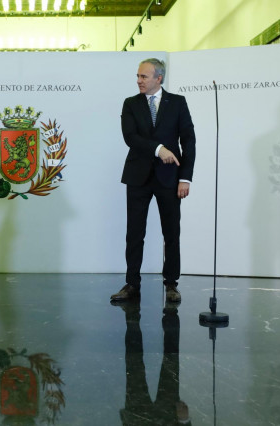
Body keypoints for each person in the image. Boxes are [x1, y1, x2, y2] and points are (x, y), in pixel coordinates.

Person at [111, 58, 196, 303]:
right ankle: (132, 284)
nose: (138, 80)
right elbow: (130, 137)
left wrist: (185, 178)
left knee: (171, 232)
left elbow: (188, 141)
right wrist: (159, 149)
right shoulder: (130, 104)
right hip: (138, 177)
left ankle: (171, 284)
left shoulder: (178, 103)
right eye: (138, 76)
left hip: (170, 179)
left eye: (143, 77)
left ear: (158, 78)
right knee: (134, 233)